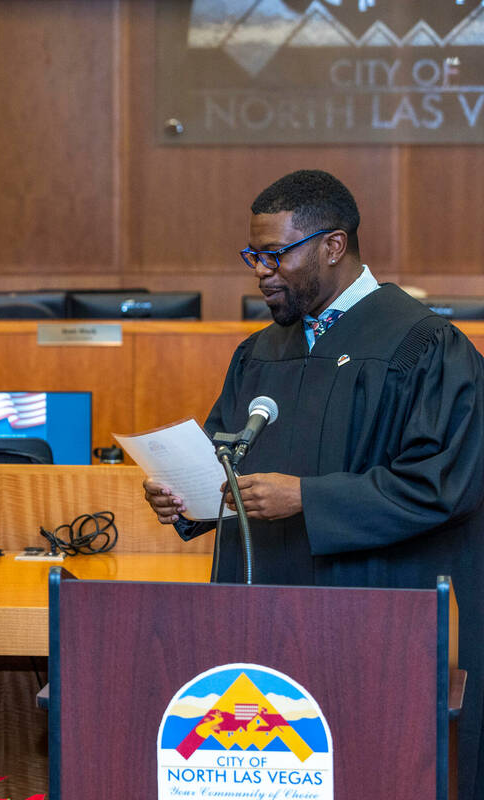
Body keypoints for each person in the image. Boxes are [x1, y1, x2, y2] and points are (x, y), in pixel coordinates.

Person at [143, 169, 484, 800]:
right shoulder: (259, 354)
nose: (261, 271)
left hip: (374, 624)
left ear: (333, 246)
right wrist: (186, 498)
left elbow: (445, 485)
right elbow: (227, 458)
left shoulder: (427, 347)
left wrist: (309, 498)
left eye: (276, 254)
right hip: (266, 621)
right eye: (254, 256)